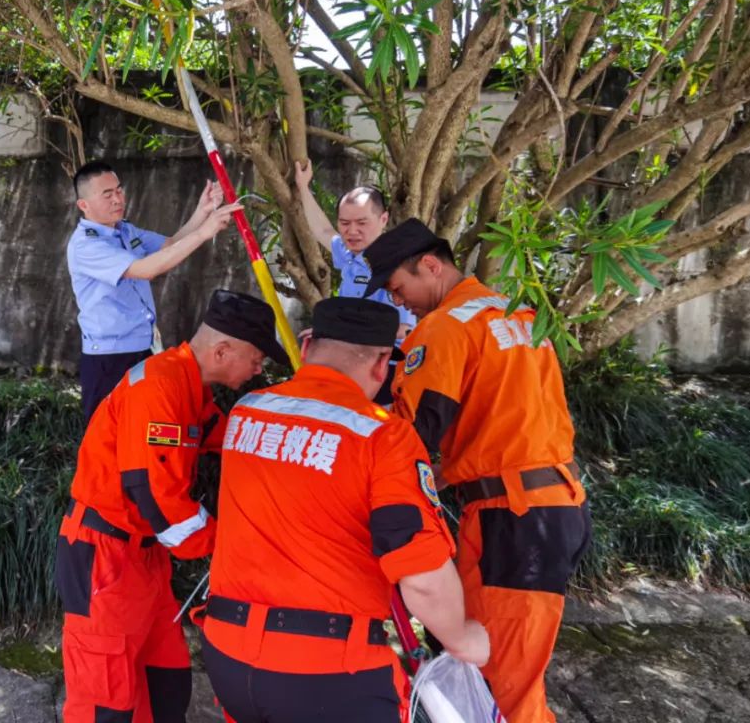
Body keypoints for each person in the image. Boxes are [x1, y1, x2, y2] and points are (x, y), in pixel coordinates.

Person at [201, 296, 490, 723]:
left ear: (307, 347)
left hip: (228, 656)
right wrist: (463, 639)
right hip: (328, 671)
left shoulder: (248, 412)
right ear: (382, 364)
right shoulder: (383, 436)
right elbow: (422, 576)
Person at [362, 219, 592, 723]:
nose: (399, 302)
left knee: (503, 683)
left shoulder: (444, 326)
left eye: (399, 288)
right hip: (552, 506)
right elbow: (505, 424)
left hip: (513, 519)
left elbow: (415, 433)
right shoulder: (514, 313)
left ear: (430, 265)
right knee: (491, 666)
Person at [54, 289, 290, 723]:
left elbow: (228, 438)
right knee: (105, 700)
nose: (259, 370)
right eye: (256, 359)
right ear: (222, 351)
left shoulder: (189, 386)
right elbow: (159, 503)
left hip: (145, 559)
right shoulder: (159, 388)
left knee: (166, 678)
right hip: (105, 558)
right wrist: (233, 545)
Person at [67, 160, 242, 423]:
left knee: (143, 428)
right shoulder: (86, 245)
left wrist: (202, 212)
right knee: (108, 434)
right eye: (107, 194)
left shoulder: (125, 230)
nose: (118, 199)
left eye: (119, 190)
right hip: (109, 358)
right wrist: (205, 232)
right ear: (84, 205)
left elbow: (169, 245)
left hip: (143, 349)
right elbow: (146, 269)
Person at [293, 159, 415, 404]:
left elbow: (404, 329)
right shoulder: (349, 253)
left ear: (383, 219)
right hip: (345, 362)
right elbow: (323, 231)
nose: (352, 231)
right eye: (345, 223)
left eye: (362, 223)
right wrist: (303, 187)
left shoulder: (398, 266)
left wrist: (334, 331)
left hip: (383, 369)